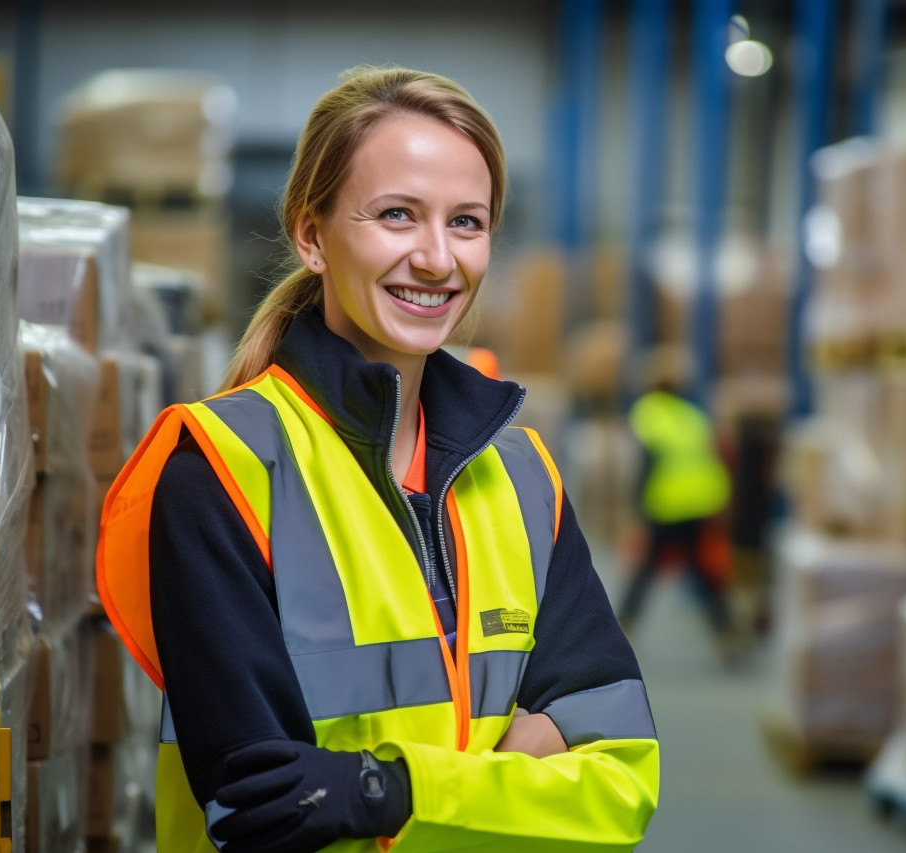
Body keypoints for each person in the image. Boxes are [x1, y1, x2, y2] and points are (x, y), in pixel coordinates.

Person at [97, 66, 659, 853]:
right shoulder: (220, 469)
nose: (436, 259)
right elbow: (262, 810)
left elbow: (620, 787)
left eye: (467, 222)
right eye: (397, 215)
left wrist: (379, 791)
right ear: (311, 233)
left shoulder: (526, 477)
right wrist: (509, 784)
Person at [617, 366, 736, 657]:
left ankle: (622, 627)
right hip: (701, 501)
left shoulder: (647, 413)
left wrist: (634, 508)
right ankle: (727, 632)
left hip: (667, 503)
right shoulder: (693, 416)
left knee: (646, 568)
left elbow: (645, 463)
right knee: (701, 569)